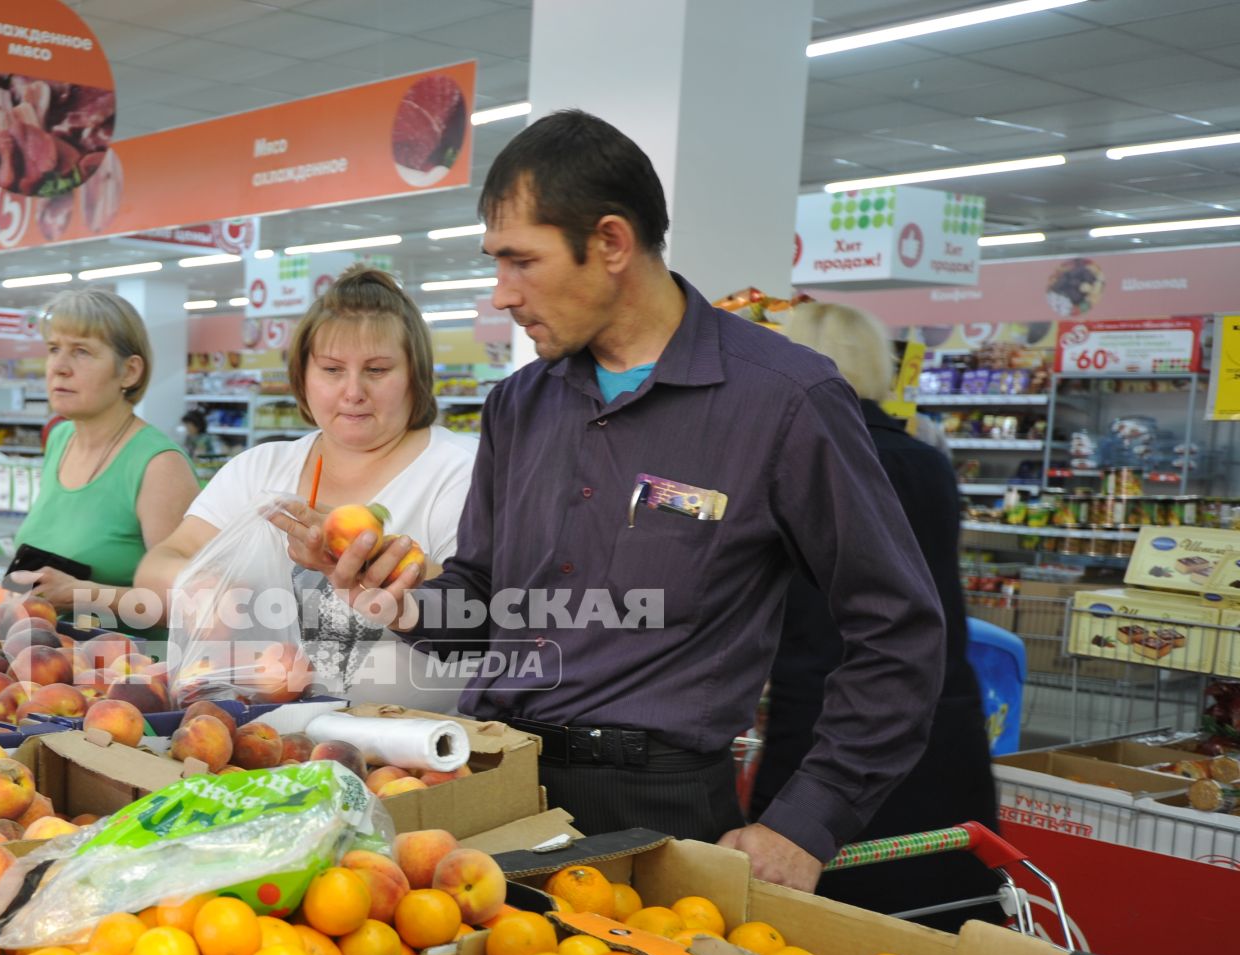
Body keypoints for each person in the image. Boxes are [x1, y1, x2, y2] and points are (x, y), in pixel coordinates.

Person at [308, 110, 945, 889]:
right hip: (491, 779)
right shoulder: (519, 405)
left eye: (520, 261)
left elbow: (899, 630)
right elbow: (479, 599)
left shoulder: (783, 401)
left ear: (611, 243)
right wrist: (397, 599)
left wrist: (809, 818)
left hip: (656, 809)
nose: (501, 294)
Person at [751, 303, 999, 918]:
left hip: (829, 720)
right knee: (942, 908)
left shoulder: (801, 461)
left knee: (816, 923)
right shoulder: (929, 463)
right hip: (941, 713)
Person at [140, 266, 476, 708]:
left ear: (416, 375)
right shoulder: (260, 469)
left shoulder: (461, 470)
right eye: (332, 370)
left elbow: (480, 607)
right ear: (303, 376)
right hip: (253, 739)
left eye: (377, 370)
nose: (353, 391)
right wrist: (197, 583)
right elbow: (158, 563)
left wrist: (367, 559)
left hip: (411, 752)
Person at [8, 290, 198, 632]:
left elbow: (192, 604)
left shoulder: (159, 465)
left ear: (129, 372)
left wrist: (84, 594)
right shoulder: (60, 439)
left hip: (129, 673)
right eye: (54, 349)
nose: (60, 368)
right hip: (52, 664)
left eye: (81, 351)